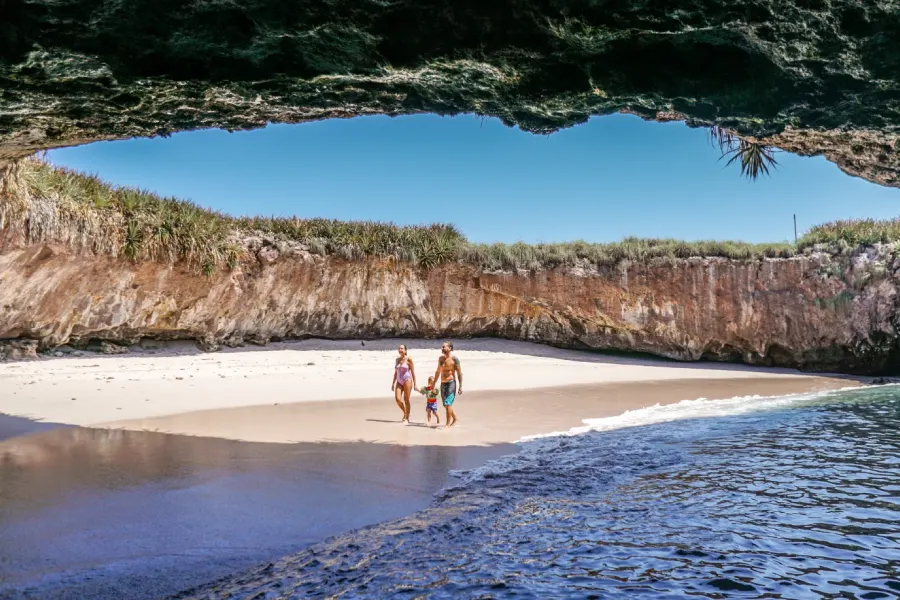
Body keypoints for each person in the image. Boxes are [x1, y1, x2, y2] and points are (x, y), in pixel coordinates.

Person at [433, 341, 463, 428]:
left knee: (448, 403)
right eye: (442, 347)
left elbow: (459, 373)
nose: (442, 348)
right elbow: (438, 371)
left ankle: (447, 425)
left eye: (444, 347)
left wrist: (460, 386)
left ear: (450, 348)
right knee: (445, 405)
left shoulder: (455, 360)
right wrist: (434, 384)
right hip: (443, 383)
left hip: (451, 383)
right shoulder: (441, 359)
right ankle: (455, 419)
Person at [391, 344, 417, 424]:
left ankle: (407, 417)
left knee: (406, 399)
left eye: (402, 348)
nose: (400, 350)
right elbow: (396, 372)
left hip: (407, 380)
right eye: (399, 348)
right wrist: (393, 383)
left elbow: (413, 372)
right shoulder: (397, 360)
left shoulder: (409, 360)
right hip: (399, 381)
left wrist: (415, 384)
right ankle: (405, 412)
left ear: (405, 350)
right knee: (398, 399)